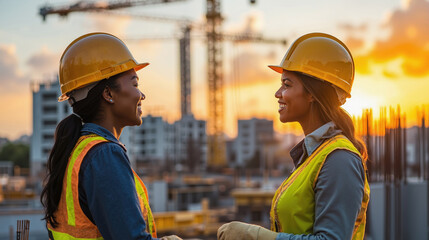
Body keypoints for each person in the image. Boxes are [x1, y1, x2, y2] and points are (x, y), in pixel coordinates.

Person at [217, 32, 370, 240]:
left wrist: (256, 237)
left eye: (287, 84)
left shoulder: (340, 160)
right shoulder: (314, 156)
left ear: (312, 94)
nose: (278, 93)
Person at [40, 32, 181, 240]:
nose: (141, 95)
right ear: (108, 94)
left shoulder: (79, 150)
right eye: (134, 84)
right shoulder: (104, 155)